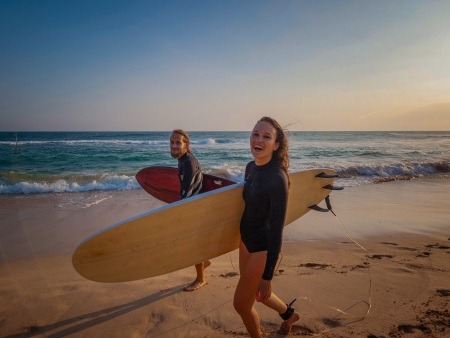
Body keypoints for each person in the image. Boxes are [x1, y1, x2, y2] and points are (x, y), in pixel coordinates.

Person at [233, 117, 300, 337]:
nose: (258, 139)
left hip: (262, 248)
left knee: (241, 305)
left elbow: (277, 229)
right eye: (255, 134)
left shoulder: (277, 178)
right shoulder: (250, 167)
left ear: (276, 144)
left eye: (266, 136)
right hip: (245, 242)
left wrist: (267, 275)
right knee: (254, 295)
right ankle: (289, 315)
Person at [170, 129, 211, 291]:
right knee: (196, 244)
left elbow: (187, 191)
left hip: (194, 208)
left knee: (194, 246)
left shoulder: (188, 162)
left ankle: (201, 279)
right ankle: (205, 262)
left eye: (178, 142)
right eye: (172, 142)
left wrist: (178, 214)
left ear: (186, 145)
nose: (174, 146)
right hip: (194, 205)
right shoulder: (183, 159)